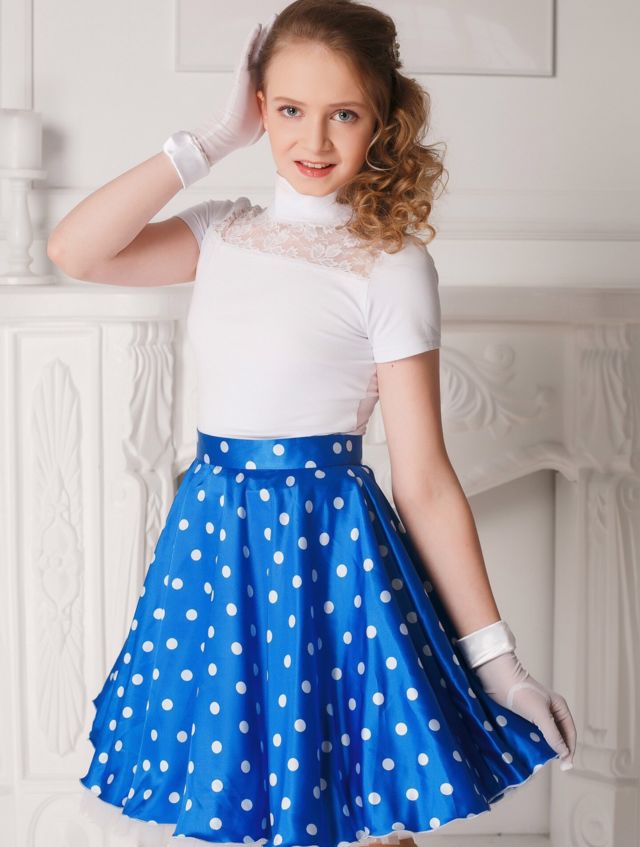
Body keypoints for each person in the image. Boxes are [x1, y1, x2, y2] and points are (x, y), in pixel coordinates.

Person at [47, 2, 577, 846]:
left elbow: (424, 479)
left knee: (352, 803)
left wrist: (499, 663)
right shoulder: (222, 231)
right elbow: (75, 251)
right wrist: (210, 142)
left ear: (381, 121)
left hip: (331, 548)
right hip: (213, 543)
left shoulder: (391, 265)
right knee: (229, 794)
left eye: (345, 114)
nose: (315, 140)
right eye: (290, 109)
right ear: (259, 104)